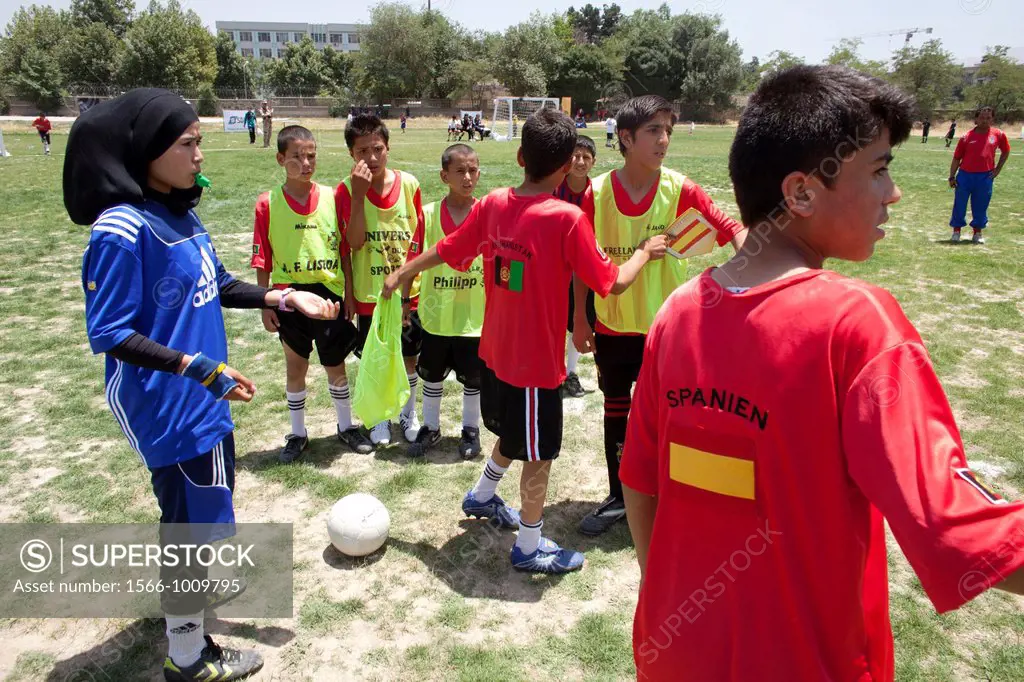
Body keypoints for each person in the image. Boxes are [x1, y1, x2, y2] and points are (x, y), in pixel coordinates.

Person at [620, 64, 1024, 682]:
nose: (894, 194)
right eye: (880, 169)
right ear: (802, 192)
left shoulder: (679, 311)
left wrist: (676, 606)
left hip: (674, 652)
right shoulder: (855, 323)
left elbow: (642, 483)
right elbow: (958, 529)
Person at [65, 88, 340, 682]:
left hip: (204, 394)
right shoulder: (121, 228)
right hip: (168, 402)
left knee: (205, 508)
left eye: (199, 143)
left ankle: (188, 603)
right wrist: (202, 369)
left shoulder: (180, 213)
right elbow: (110, 333)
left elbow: (219, 284)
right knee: (187, 523)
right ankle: (188, 655)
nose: (199, 156)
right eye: (188, 143)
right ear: (147, 149)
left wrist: (284, 295)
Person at [381, 109, 669, 574]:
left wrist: (406, 269)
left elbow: (450, 247)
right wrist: (643, 252)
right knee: (540, 452)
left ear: (519, 156)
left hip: (493, 353)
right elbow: (611, 283)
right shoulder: (568, 218)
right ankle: (530, 546)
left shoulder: (493, 202)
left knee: (516, 433)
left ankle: (481, 496)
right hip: (534, 367)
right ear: (564, 168)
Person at [572, 95, 745, 536]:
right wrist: (580, 316)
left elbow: (733, 230)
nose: (664, 140)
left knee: (673, 416)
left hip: (669, 333)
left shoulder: (680, 189)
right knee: (616, 410)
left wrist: (757, 274)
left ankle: (671, 493)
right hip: (611, 327)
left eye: (667, 130)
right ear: (625, 138)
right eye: (654, 131)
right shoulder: (596, 192)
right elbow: (580, 262)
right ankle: (618, 496)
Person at [250, 125, 373, 463]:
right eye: (297, 157)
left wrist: (348, 292)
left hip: (329, 294)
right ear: (280, 159)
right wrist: (264, 303)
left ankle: (346, 427)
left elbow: (345, 250)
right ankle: (298, 433)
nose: (306, 163)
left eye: (311, 156)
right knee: (296, 366)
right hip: (288, 295)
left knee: (336, 364)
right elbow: (263, 258)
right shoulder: (267, 204)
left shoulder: (333, 198)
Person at [337, 113, 424, 446]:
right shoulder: (346, 191)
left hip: (406, 292)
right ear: (351, 154)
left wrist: (407, 289)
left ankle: (408, 413)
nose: (371, 158)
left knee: (408, 356)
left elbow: (418, 241)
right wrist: (359, 196)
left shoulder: (410, 184)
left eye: (377, 149)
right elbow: (355, 243)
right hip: (369, 292)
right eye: (362, 151)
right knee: (376, 357)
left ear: (388, 148)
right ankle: (378, 418)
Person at [401, 143, 485, 459]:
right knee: (431, 375)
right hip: (436, 317)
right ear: (444, 175)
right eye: (460, 171)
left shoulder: (487, 213)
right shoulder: (428, 215)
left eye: (473, 170)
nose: (467, 177)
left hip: (474, 318)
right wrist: (405, 300)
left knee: (473, 380)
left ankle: (470, 430)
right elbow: (411, 261)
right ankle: (431, 427)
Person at [553, 135, 598, 398]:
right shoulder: (554, 188)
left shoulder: (599, 192)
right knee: (555, 321)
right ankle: (554, 372)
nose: (580, 162)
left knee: (578, 320)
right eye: (575, 156)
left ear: (594, 162)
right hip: (555, 267)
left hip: (583, 269)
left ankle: (570, 373)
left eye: (586, 157)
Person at [948, 106, 1011, 244]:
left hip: (985, 177)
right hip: (964, 176)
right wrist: (952, 176)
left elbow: (1006, 151)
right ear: (976, 119)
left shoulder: (998, 135)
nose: (984, 120)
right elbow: (957, 158)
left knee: (981, 205)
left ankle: (977, 233)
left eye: (988, 118)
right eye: (982, 118)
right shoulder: (966, 137)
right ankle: (956, 231)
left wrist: (997, 169)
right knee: (960, 204)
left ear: (992, 119)